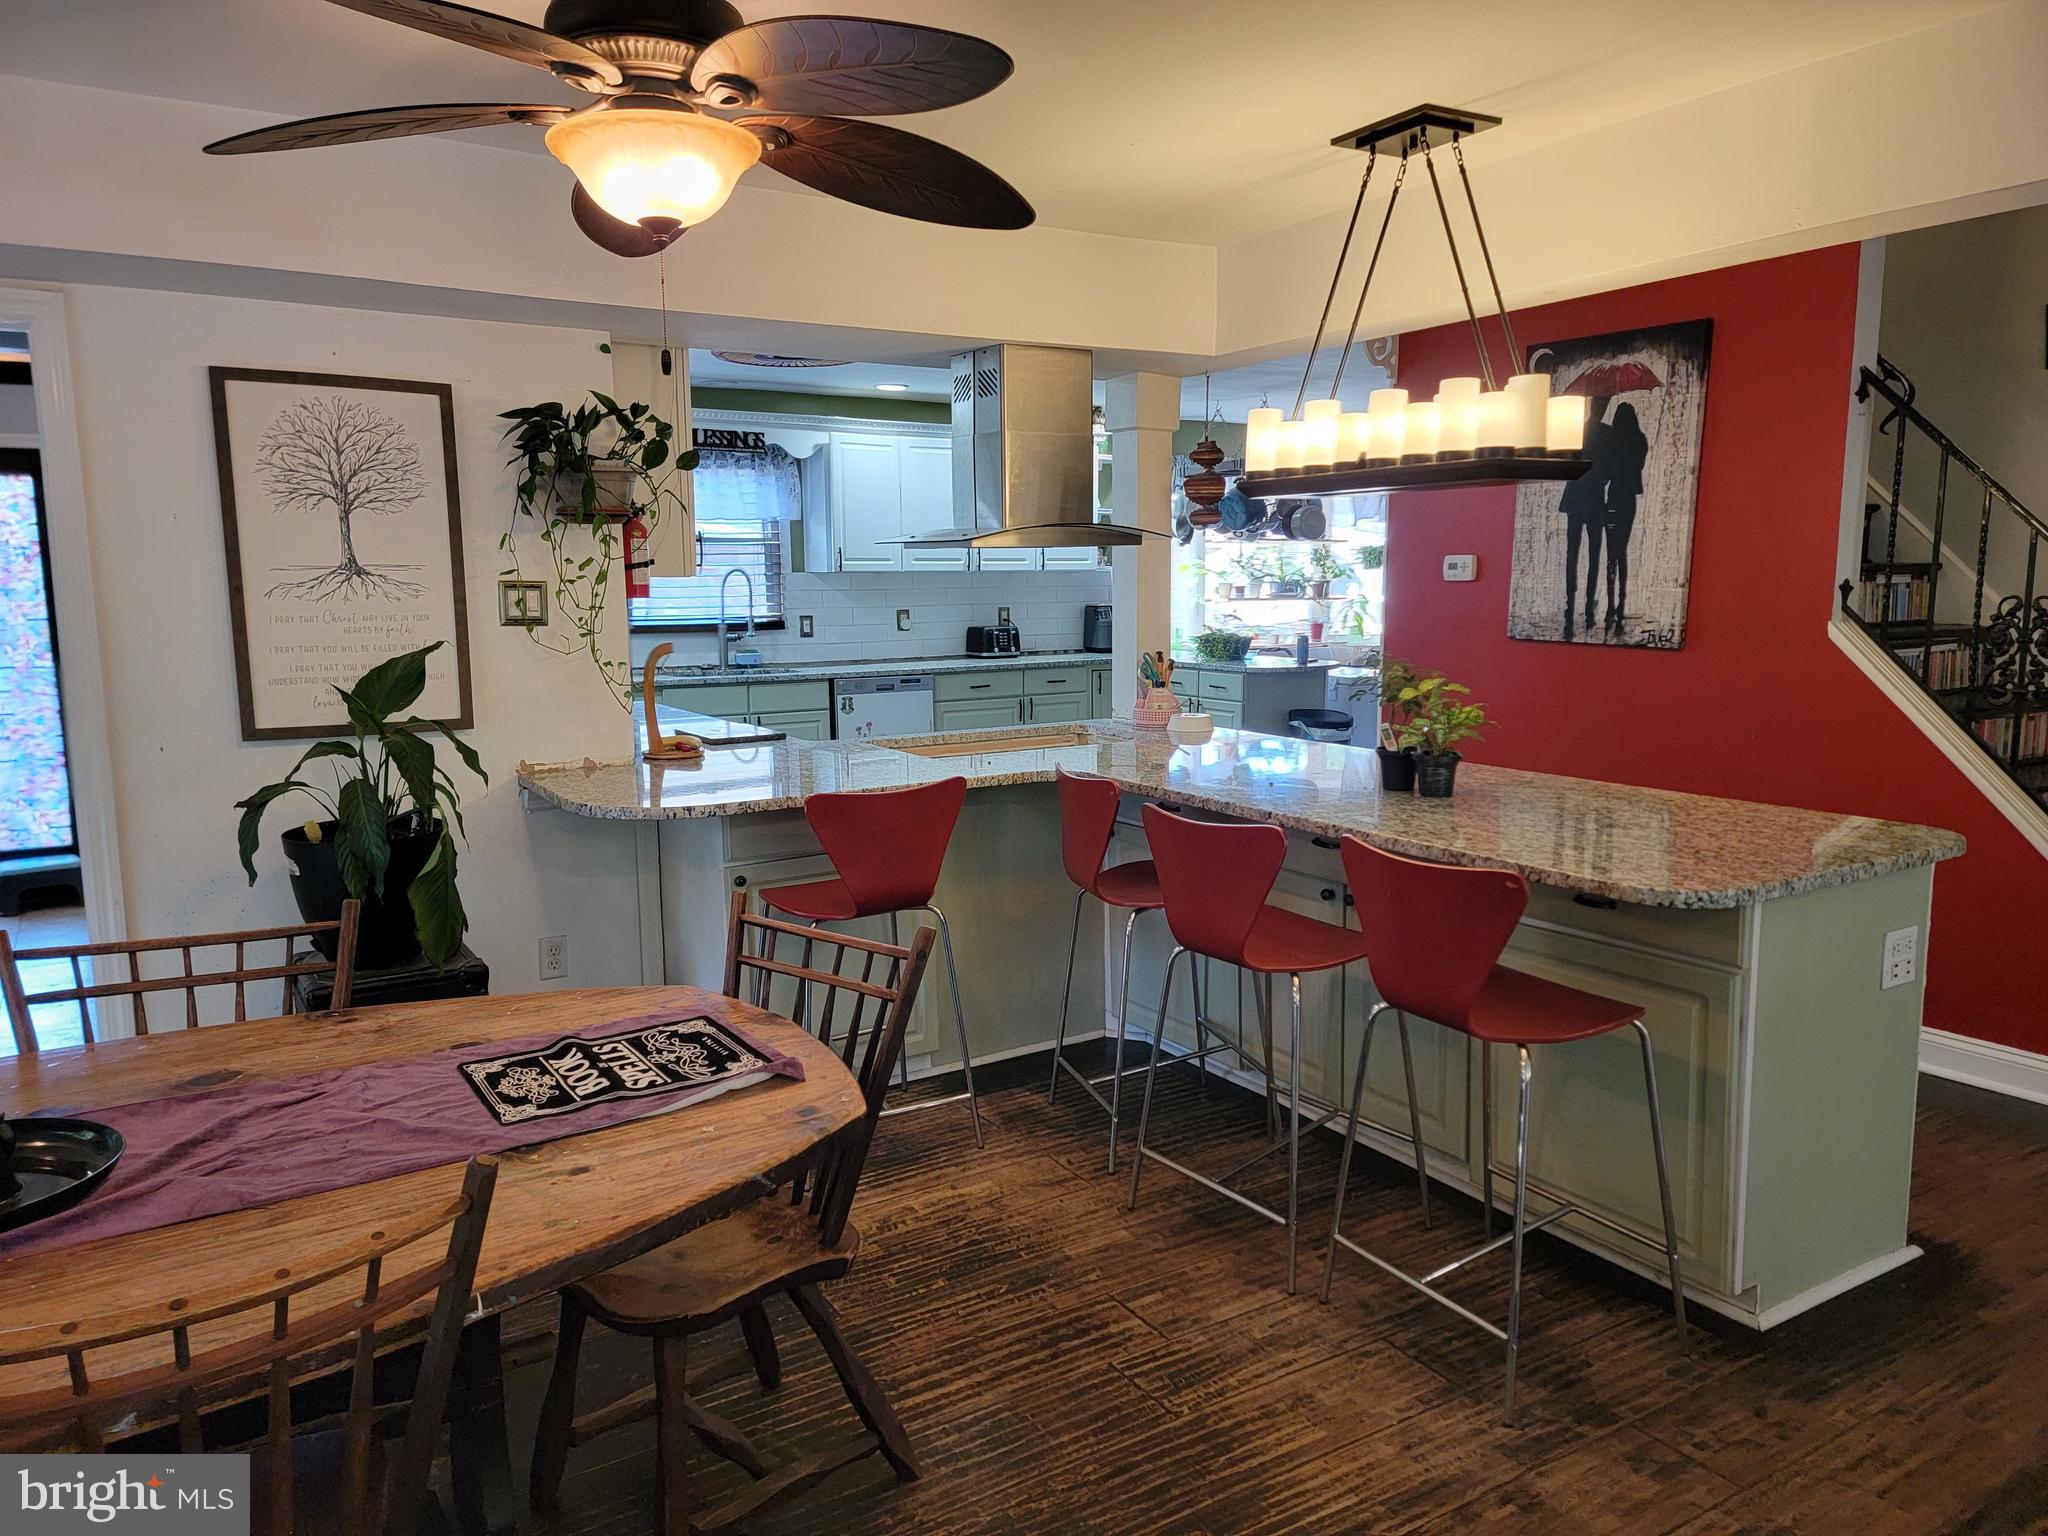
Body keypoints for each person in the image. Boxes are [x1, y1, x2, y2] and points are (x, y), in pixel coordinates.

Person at [1557, 395, 1609, 639]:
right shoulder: (1600, 434)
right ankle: (1576, 611)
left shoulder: (1578, 432)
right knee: (1580, 556)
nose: (1601, 407)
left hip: (1582, 498)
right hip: (1587, 499)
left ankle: (1585, 611)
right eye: (1601, 404)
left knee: (1585, 557)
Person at [1600, 402, 1650, 637]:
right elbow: (1637, 466)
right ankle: (1621, 601)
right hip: (1629, 499)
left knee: (1611, 553)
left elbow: (1607, 472)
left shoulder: (1613, 443)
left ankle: (1611, 603)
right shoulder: (1639, 441)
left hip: (1613, 498)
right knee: (1622, 551)